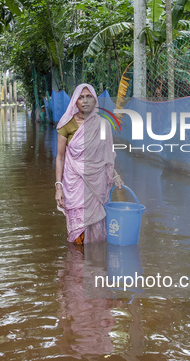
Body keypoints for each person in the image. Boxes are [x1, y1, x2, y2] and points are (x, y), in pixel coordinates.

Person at [55, 83, 124, 245]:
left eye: (89, 97)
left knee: (97, 234)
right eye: (81, 97)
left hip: (97, 184)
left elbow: (106, 156)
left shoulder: (103, 125)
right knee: (78, 236)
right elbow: (60, 158)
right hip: (74, 184)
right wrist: (58, 187)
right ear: (75, 101)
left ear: (94, 100)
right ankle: (77, 266)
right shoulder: (67, 125)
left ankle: (95, 265)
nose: (85, 101)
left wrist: (116, 176)